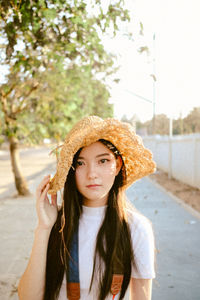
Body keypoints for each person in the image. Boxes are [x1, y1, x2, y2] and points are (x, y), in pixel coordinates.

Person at [18, 115, 156, 300]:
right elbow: (28, 297)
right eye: (80, 163)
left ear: (117, 166)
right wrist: (43, 228)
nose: (92, 174)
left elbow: (142, 296)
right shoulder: (56, 222)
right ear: (71, 170)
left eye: (103, 161)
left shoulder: (135, 227)